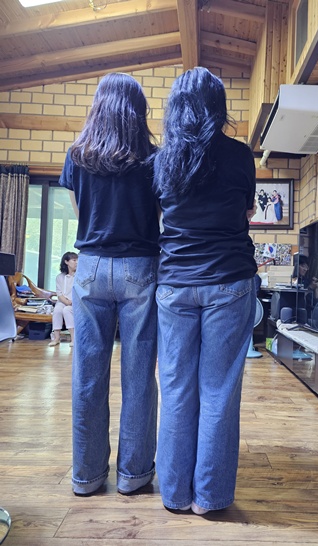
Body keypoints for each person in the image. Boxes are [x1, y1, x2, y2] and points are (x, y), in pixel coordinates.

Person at [153, 67, 257, 515]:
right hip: (230, 281)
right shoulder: (240, 154)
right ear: (219, 106)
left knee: (176, 390)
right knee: (218, 391)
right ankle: (209, 498)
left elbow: (160, 215)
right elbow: (247, 212)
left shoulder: (162, 159)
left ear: (176, 108)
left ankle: (175, 494)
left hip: (175, 284)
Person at [59, 72, 160, 496]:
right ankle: (133, 475)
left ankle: (86, 477)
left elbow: (80, 213)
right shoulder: (153, 158)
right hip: (140, 267)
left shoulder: (77, 155)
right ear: (139, 111)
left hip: (91, 267)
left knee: (87, 375)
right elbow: (159, 215)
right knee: (139, 376)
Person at [49, 251, 78, 347]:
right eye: (74, 260)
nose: (76, 262)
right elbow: (59, 294)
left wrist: (71, 302)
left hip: (75, 302)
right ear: (66, 262)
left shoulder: (79, 276)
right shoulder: (60, 277)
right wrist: (66, 301)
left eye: (77, 260)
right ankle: (56, 338)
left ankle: (73, 339)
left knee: (66, 310)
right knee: (57, 310)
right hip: (63, 301)